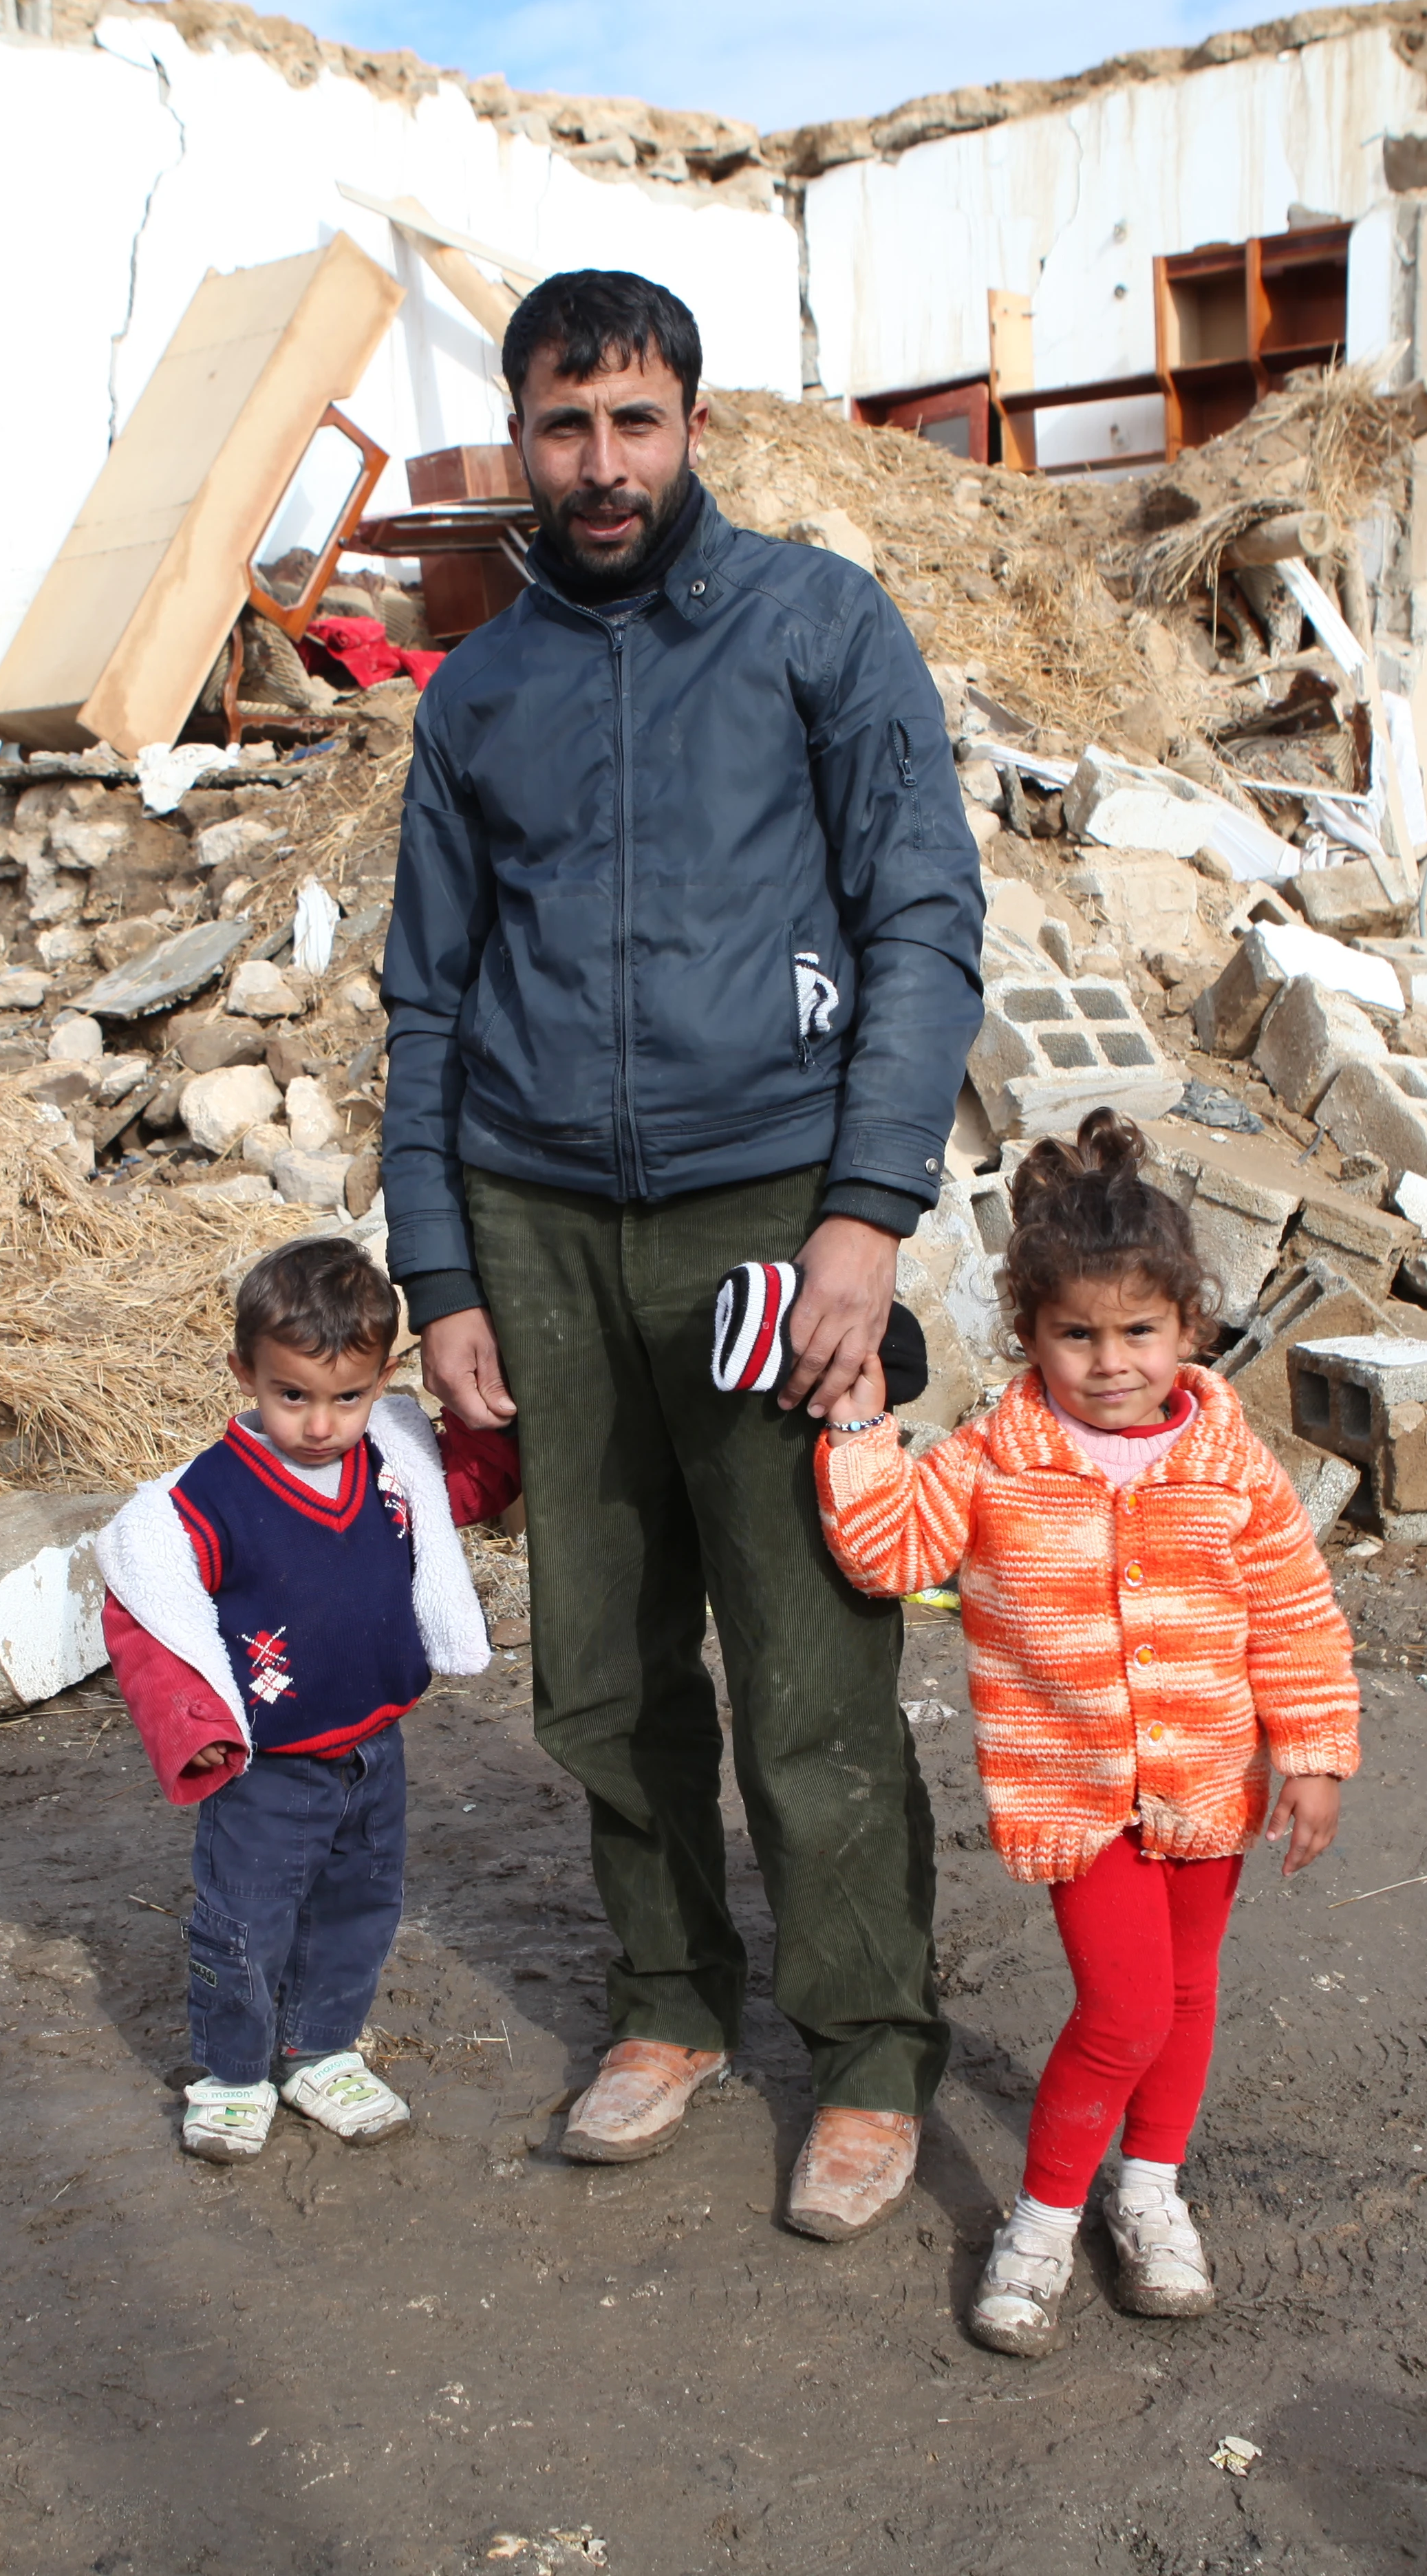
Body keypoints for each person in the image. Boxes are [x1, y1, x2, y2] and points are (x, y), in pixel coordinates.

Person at [379, 267, 987, 2241]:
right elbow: (426, 1005)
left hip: (766, 1215)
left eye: (636, 421)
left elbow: (922, 924)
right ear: (521, 441)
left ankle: (872, 2049)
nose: (604, 463)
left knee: (809, 1656)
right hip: (543, 1228)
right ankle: (666, 2001)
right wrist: (445, 1271)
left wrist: (864, 1222)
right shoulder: (478, 694)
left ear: (693, 422)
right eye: (567, 428)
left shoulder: (819, 628)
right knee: (609, 1664)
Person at [813, 1112, 1363, 2357]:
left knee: (1185, 1991)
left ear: (1189, 1330)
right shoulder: (992, 1458)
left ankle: (1150, 2186)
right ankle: (1047, 2215)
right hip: (1074, 1792)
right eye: (1077, 1333)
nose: (1109, 1361)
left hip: (1210, 1781)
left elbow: (1292, 1610)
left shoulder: (1233, 1466)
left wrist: (1315, 1752)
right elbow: (890, 1548)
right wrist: (857, 1430)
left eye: (1138, 1332)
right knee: (1122, 2008)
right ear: (1032, 1334)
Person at [94, 1236, 522, 2163]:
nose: (321, 1424)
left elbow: (469, 1489)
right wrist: (198, 1731)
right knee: (245, 1922)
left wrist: (509, 1416)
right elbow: (152, 1614)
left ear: (383, 1378)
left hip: (374, 1749)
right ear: (245, 1371)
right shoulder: (209, 1503)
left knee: (358, 1908)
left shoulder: (393, 1464)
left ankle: (319, 2051)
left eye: (348, 1397)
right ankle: (233, 2071)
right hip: (270, 1768)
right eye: (293, 1395)